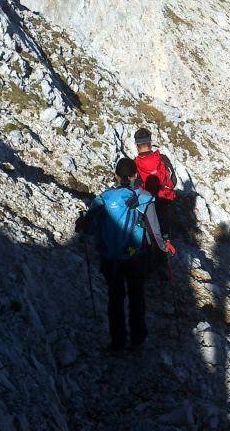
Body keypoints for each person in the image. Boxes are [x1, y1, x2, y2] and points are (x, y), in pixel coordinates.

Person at [77, 157, 175, 352]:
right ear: (135, 176)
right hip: (134, 257)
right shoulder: (144, 197)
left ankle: (117, 342)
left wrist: (82, 228)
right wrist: (164, 245)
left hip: (109, 258)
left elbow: (87, 228)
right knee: (136, 296)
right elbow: (155, 230)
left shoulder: (103, 198)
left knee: (115, 298)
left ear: (115, 175)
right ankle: (138, 338)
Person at [133, 127, 177, 239]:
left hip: (147, 206)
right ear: (150, 143)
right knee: (164, 233)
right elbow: (173, 181)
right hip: (164, 201)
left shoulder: (135, 164)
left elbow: (135, 187)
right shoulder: (163, 159)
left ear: (136, 145)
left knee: (151, 234)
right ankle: (166, 245)